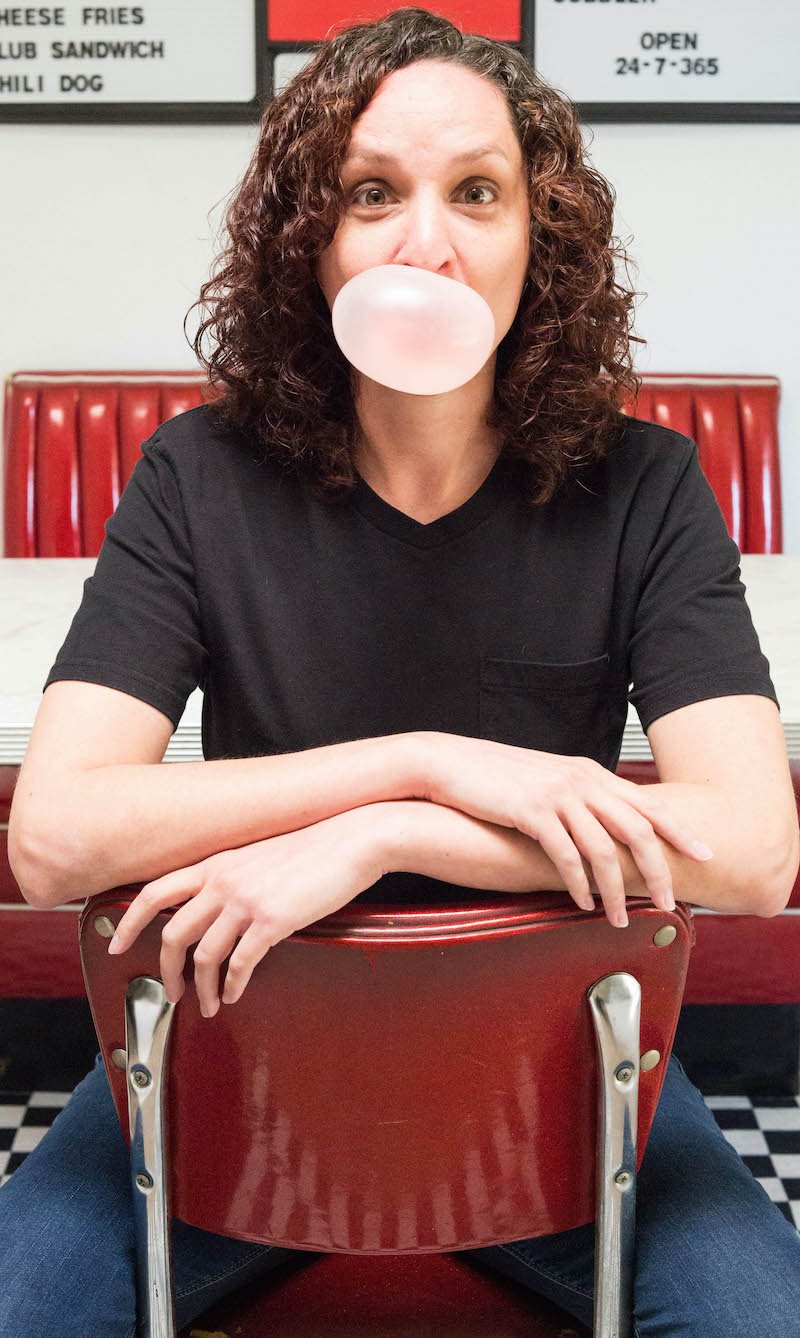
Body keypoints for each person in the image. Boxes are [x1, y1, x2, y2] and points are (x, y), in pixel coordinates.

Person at [4, 7, 800, 1336]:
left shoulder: (646, 486)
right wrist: (419, 760)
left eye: (476, 192)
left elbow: (755, 850)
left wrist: (389, 834)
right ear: (311, 238)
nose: (424, 242)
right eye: (374, 194)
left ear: (538, 236)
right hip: (234, 1066)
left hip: (563, 1087)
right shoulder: (197, 478)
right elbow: (55, 838)